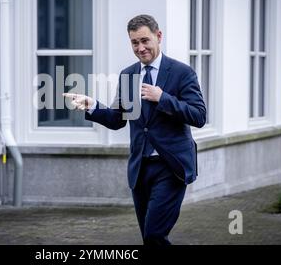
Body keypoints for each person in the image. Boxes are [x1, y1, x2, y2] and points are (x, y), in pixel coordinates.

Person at [63, 14, 207, 245]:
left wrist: (163, 98)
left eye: (144, 40)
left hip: (171, 167)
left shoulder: (182, 73)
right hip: (140, 169)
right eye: (134, 43)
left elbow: (199, 116)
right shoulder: (128, 75)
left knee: (154, 234)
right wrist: (93, 106)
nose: (140, 48)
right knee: (148, 237)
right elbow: (118, 119)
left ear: (158, 37)